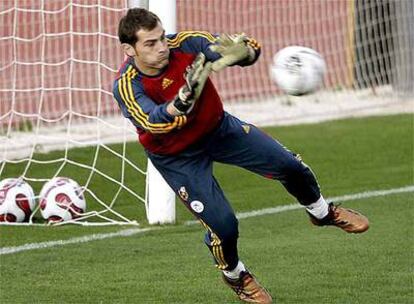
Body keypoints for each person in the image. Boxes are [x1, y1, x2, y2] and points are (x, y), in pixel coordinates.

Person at [113, 8, 369, 304]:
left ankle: (323, 213)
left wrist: (245, 51)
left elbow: (236, 50)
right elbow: (155, 121)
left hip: (219, 129)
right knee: (224, 226)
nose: (161, 48)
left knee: (290, 165)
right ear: (129, 50)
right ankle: (236, 275)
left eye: (161, 39)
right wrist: (183, 98)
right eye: (150, 44)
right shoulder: (126, 85)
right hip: (177, 156)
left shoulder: (186, 43)